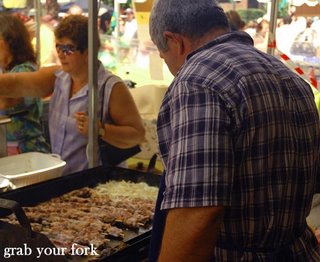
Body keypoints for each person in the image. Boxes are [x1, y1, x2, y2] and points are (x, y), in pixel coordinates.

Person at [148, 0, 320, 261]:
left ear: (174, 42)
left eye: (164, 57)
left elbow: (198, 212)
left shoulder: (197, 80)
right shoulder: (293, 79)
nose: (171, 70)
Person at [0, 14, 145, 175]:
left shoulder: (111, 87)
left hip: (98, 184)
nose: (61, 54)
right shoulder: (57, 77)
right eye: (58, 47)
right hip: (63, 180)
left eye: (68, 49)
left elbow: (137, 134)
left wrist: (101, 129)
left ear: (88, 52)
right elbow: (15, 83)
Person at [0, 13, 50, 155]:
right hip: (9, 150)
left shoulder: (25, 70)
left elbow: (6, 101)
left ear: (10, 41)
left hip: (28, 151)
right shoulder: (6, 70)